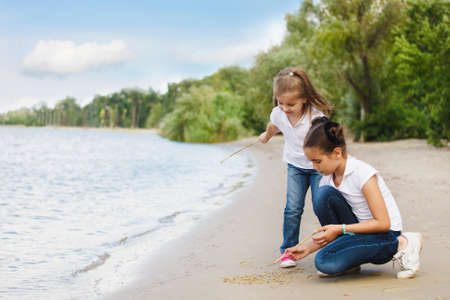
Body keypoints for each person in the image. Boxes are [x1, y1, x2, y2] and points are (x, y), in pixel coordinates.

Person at [285, 117, 423, 278]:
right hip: (359, 231)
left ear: (337, 153)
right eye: (311, 162)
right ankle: (351, 261)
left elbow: (383, 223)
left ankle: (404, 242)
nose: (314, 168)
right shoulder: (326, 180)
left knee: (323, 261)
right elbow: (333, 229)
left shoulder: (362, 173)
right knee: (323, 196)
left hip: (386, 233)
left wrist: (339, 229)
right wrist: (307, 248)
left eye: (317, 161)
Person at [259, 67, 332, 268]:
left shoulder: (315, 118)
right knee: (292, 208)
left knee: (321, 205)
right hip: (295, 167)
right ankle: (288, 251)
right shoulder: (278, 113)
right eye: (280, 102)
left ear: (305, 99)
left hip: (318, 169)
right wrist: (266, 136)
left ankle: (332, 244)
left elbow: (328, 142)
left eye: (290, 104)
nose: (285, 108)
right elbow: (274, 125)